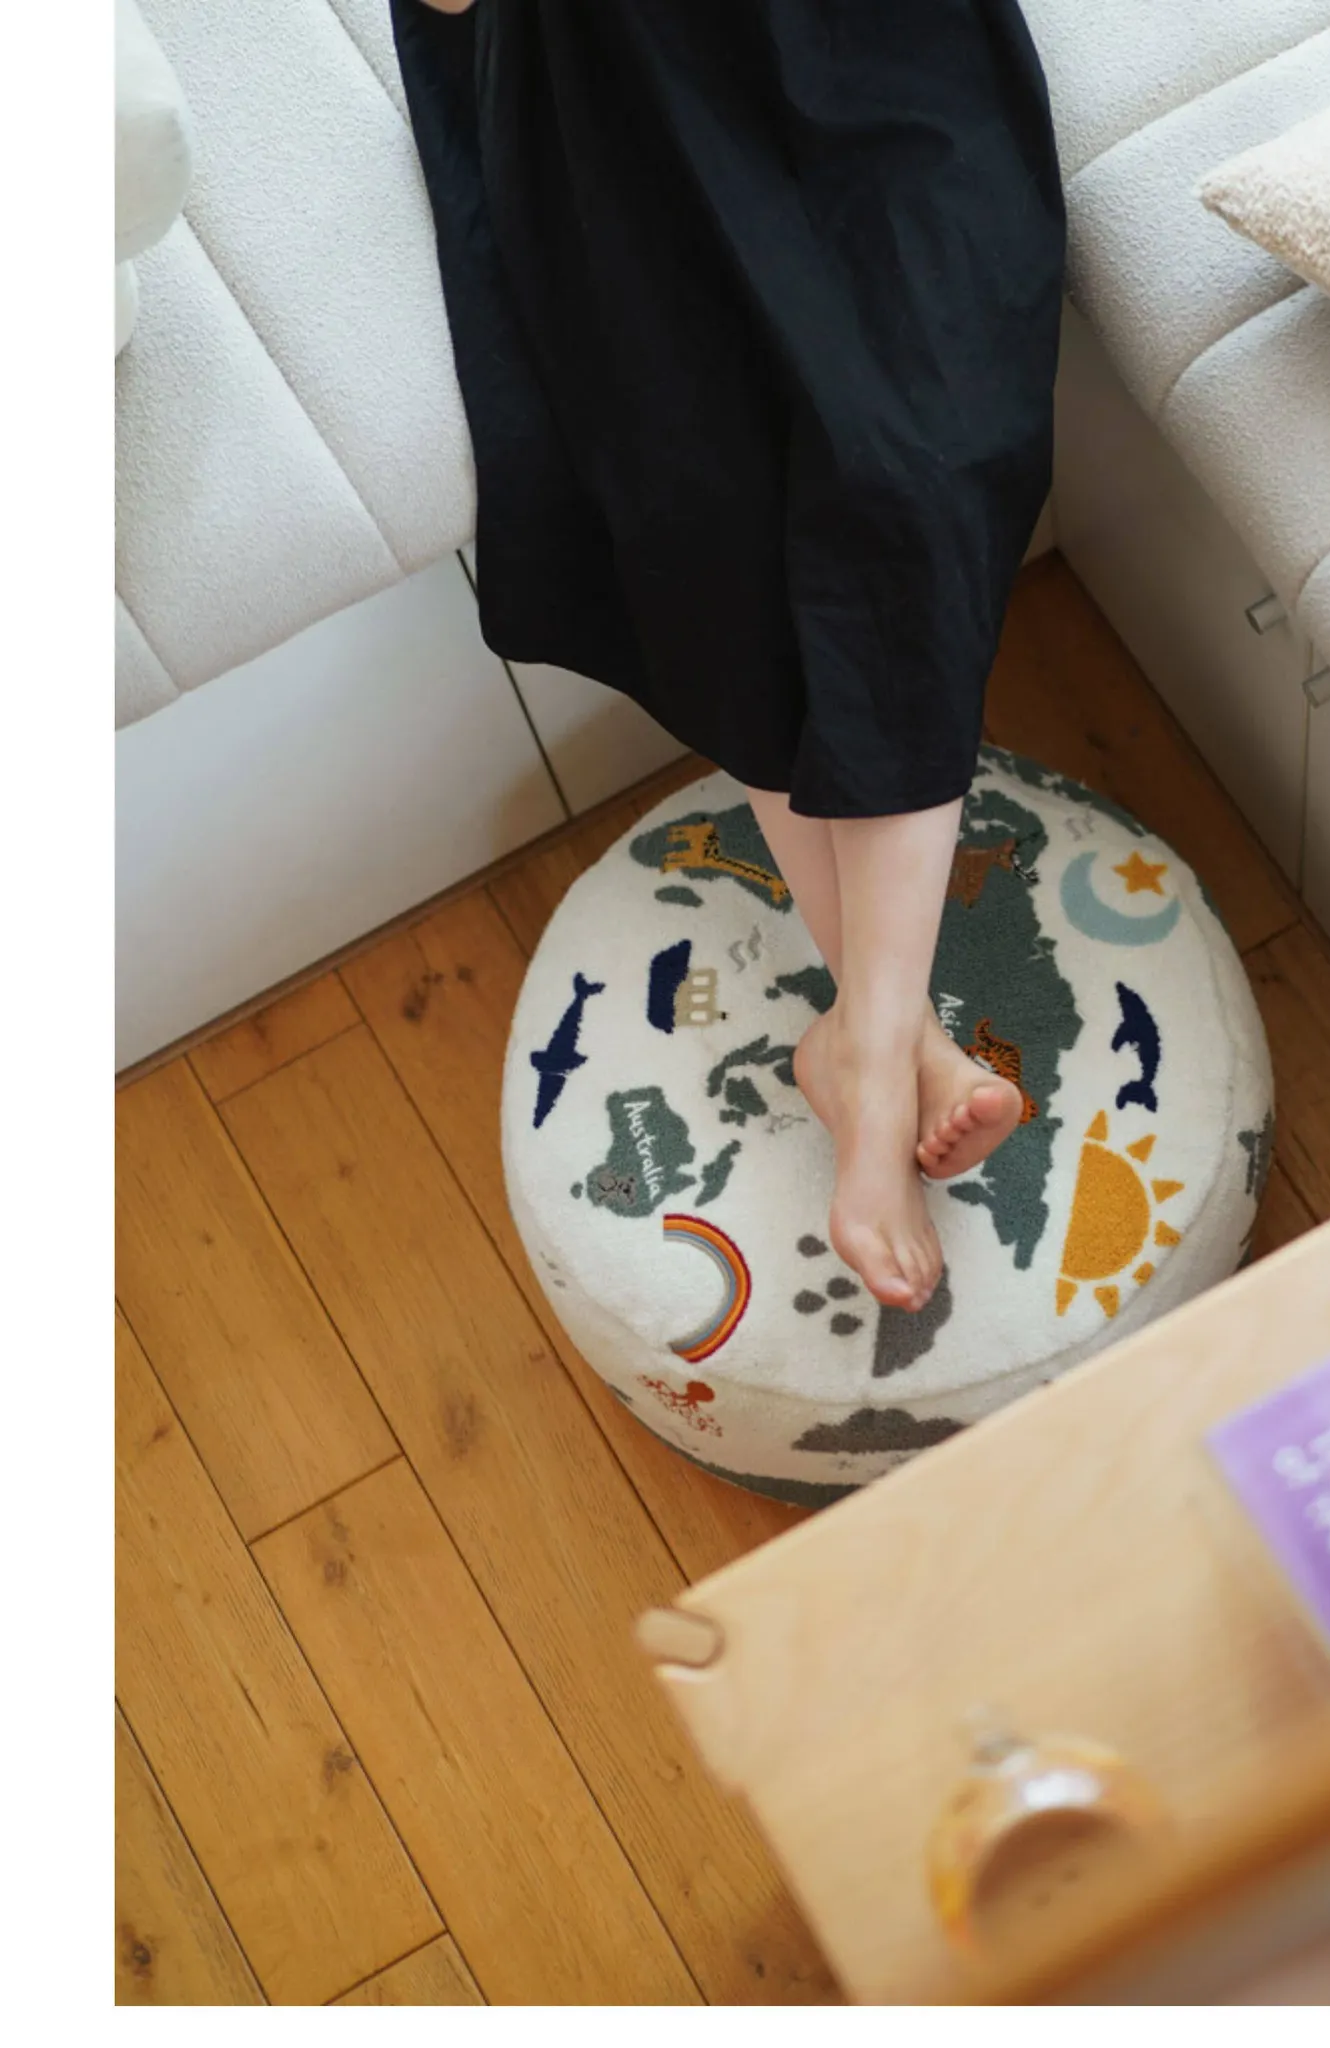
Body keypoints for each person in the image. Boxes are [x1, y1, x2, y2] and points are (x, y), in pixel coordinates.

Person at [394, 0, 1067, 1311]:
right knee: (711, 509)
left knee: (913, 470)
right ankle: (885, 1046)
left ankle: (867, 1045)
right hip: (612, 87)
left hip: (876, 50)